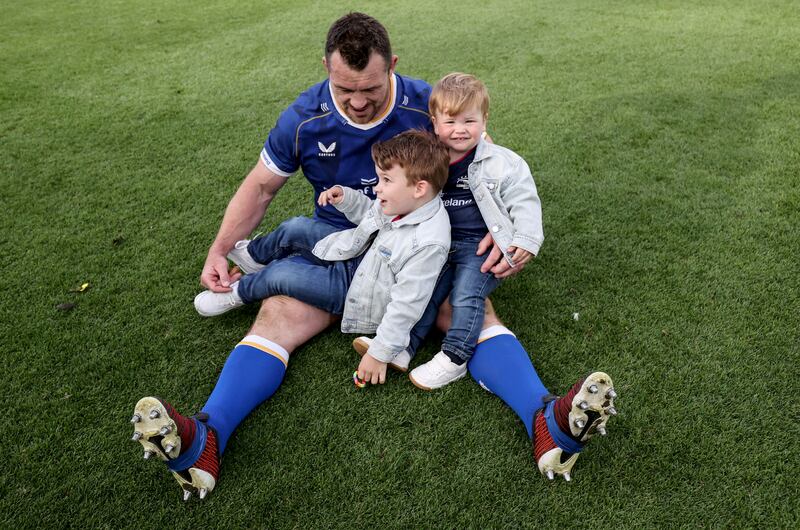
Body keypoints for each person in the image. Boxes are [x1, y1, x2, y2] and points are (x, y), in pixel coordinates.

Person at [129, 12, 617, 501]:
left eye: (371, 89)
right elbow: (260, 188)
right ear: (325, 68)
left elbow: (489, 167)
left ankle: (546, 419)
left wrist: (507, 234)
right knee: (277, 306)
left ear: (393, 68)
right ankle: (207, 437)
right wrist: (219, 249)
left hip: (421, 252)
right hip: (349, 244)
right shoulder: (304, 118)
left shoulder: (429, 106)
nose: (359, 102)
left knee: (469, 308)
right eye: (345, 90)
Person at [192, 130, 451, 385]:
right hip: (362, 255)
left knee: (282, 274)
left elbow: (407, 305)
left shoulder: (428, 243)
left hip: (357, 290)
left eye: (385, 180)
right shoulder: (406, 201)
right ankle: (254, 256)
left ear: (419, 188)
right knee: (296, 226)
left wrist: (379, 353)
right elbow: (371, 213)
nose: (377, 187)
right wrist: (347, 199)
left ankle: (238, 292)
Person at [387, 73, 544, 391]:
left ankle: (455, 357)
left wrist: (525, 239)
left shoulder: (503, 163)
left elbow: (524, 201)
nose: (460, 130)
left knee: (465, 294)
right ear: (434, 121)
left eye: (470, 121)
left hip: (481, 246)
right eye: (451, 121)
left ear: (485, 120)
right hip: (440, 243)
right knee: (427, 289)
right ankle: (402, 347)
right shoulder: (428, 161)